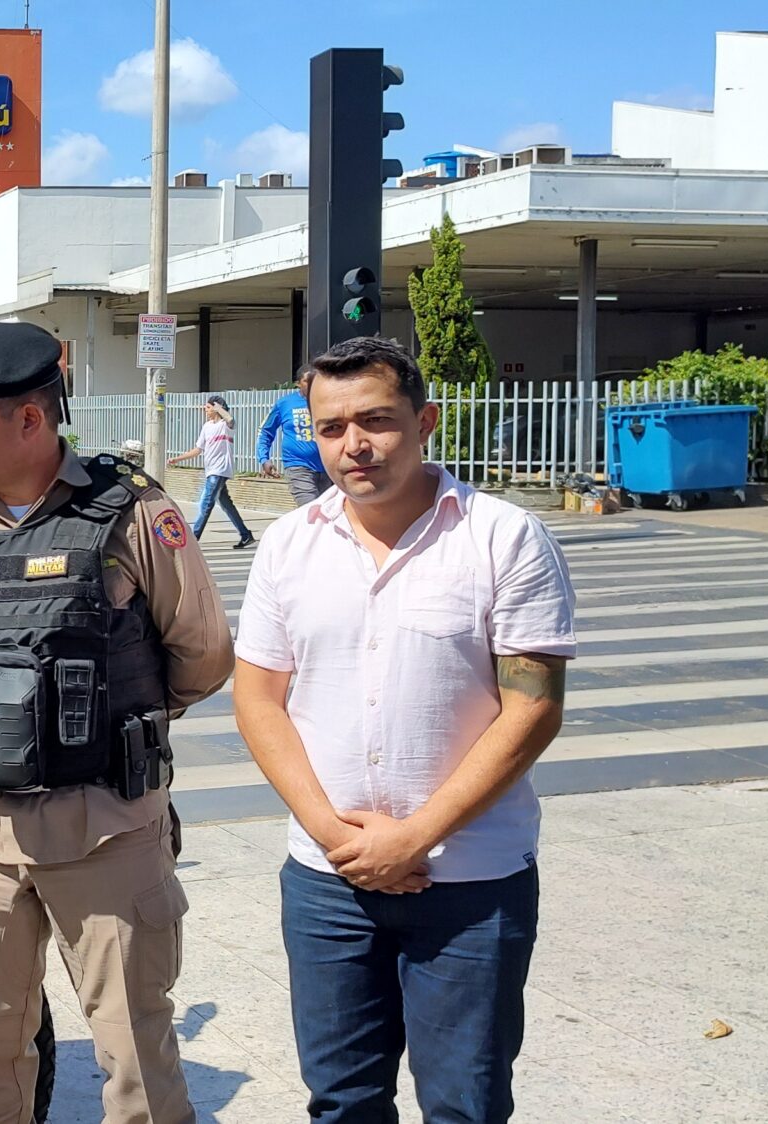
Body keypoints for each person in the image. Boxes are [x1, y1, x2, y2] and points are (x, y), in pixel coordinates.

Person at [232, 337, 573, 1124]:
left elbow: (532, 709)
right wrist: (335, 835)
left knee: (465, 1105)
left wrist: (414, 837)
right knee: (343, 1103)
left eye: (377, 421)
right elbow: (258, 700)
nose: (354, 446)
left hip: (470, 883)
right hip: (326, 883)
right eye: (330, 427)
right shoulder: (288, 545)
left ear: (425, 421)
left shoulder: (504, 538)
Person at [0, 322, 233, 1124]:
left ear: (31, 419)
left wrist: (109, 727)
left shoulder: (131, 513)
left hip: (106, 830)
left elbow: (202, 653)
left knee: (136, 1066)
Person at [171, 395, 254, 549]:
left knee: (206, 503)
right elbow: (198, 449)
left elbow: (231, 420)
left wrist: (220, 409)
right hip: (211, 470)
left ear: (216, 408)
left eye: (208, 408)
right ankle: (246, 535)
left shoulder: (225, 426)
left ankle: (193, 539)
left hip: (220, 469)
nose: (205, 410)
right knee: (226, 504)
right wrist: (178, 459)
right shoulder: (207, 426)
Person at [257, 380, 328, 506]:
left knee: (330, 513)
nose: (312, 384)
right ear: (298, 383)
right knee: (311, 510)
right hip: (298, 465)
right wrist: (264, 458)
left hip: (328, 468)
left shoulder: (328, 401)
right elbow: (265, 432)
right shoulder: (285, 403)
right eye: (308, 381)